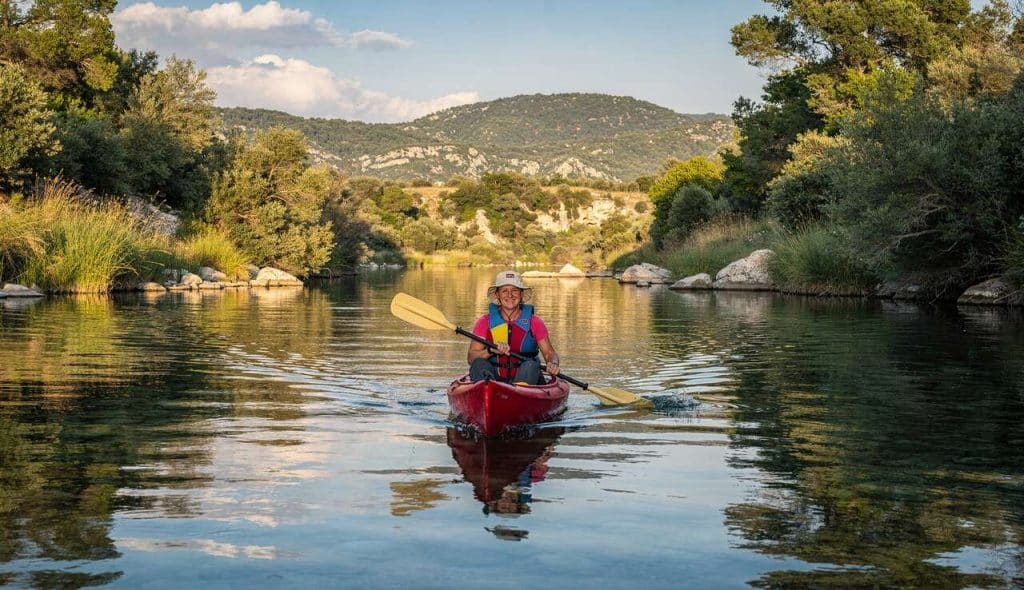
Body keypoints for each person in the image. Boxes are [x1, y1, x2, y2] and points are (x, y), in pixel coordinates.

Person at [467, 270, 561, 385]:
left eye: (515, 290)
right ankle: (486, 388)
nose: (510, 295)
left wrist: (553, 363)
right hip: (494, 380)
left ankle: (520, 390)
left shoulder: (535, 322)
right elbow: (471, 358)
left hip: (526, 378)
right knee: (478, 363)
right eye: (504, 291)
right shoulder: (484, 322)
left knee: (531, 365)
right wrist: (490, 350)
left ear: (521, 294)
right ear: (497, 295)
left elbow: (549, 353)